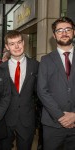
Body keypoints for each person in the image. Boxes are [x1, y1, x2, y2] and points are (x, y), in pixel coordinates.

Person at [37, 17, 75, 150]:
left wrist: (74, 115)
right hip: (53, 124)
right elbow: (42, 91)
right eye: (59, 30)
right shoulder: (45, 60)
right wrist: (61, 116)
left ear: (73, 32)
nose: (64, 33)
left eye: (68, 29)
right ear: (54, 35)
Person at [0, 30, 39, 150]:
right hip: (4, 120)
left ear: (23, 43)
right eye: (12, 44)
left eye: (19, 42)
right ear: (7, 47)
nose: (16, 46)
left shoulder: (36, 66)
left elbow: (41, 92)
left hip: (27, 120)